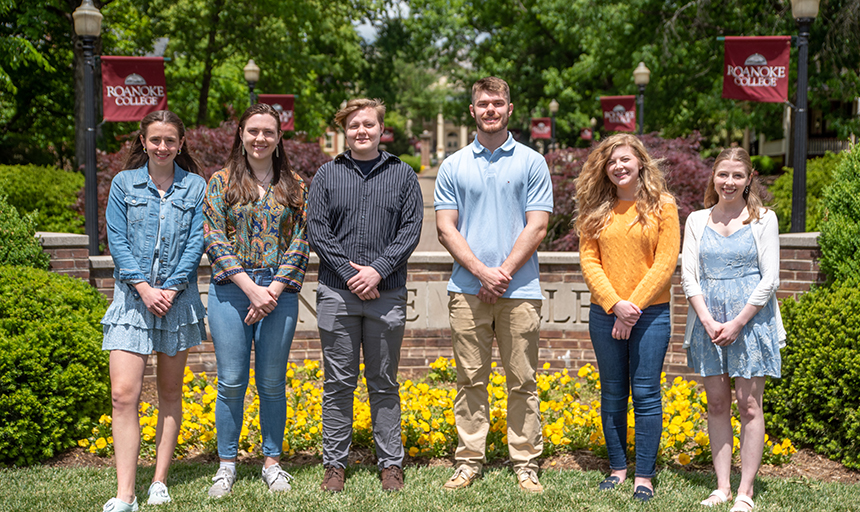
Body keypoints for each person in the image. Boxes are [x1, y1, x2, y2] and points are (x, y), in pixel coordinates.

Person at [434, 76, 553, 493]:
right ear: (472, 111)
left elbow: (537, 226)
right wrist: (483, 273)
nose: (490, 110)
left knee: (523, 380)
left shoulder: (532, 162)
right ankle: (468, 461)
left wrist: (499, 273)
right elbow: (446, 229)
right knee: (470, 380)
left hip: (520, 293)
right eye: (482, 104)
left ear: (509, 108)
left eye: (497, 103)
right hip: (467, 292)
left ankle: (525, 463)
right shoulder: (453, 165)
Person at [307, 98, 423, 492]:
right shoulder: (326, 174)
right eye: (355, 124)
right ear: (345, 129)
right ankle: (334, 466)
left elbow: (410, 230)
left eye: (369, 124)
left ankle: (391, 464)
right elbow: (318, 231)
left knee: (384, 382)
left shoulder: (404, 175)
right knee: (339, 383)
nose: (362, 131)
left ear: (380, 128)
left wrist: (377, 271)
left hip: (386, 293)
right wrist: (350, 274)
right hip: (337, 296)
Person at [101, 110, 207, 511]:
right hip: (132, 301)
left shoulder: (195, 187)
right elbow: (117, 240)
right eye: (155, 140)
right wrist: (145, 288)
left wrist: (171, 288)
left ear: (181, 145)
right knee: (122, 395)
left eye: (170, 141)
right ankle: (125, 493)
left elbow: (196, 243)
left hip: (176, 302)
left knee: (169, 392)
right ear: (143, 142)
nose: (163, 147)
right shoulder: (124, 184)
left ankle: (158, 481)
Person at [203, 103, 309, 497]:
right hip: (232, 291)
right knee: (231, 382)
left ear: (279, 137)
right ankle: (226, 465)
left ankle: (272, 463)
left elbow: (302, 241)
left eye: (268, 131)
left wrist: (273, 291)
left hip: (278, 293)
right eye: (253, 131)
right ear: (241, 135)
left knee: (271, 383)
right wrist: (251, 289)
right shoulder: (221, 182)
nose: (260, 138)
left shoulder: (295, 184)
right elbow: (213, 237)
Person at [575, 133, 680, 503]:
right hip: (606, 314)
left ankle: (644, 476)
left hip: (650, 315)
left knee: (647, 394)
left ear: (640, 163)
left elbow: (665, 263)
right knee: (614, 392)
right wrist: (614, 304)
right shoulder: (595, 209)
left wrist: (630, 307)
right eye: (611, 162)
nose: (618, 166)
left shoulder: (663, 206)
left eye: (625, 160)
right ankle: (618, 469)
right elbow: (589, 262)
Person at [682, 147, 784, 512]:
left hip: (752, 322)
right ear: (714, 176)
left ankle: (746, 492)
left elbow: (770, 279)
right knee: (717, 403)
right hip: (708, 322)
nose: (729, 182)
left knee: (749, 404)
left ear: (749, 178)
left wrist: (739, 321)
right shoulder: (696, 220)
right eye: (723, 174)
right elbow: (689, 277)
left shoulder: (764, 219)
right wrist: (709, 322)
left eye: (737, 175)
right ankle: (722, 487)